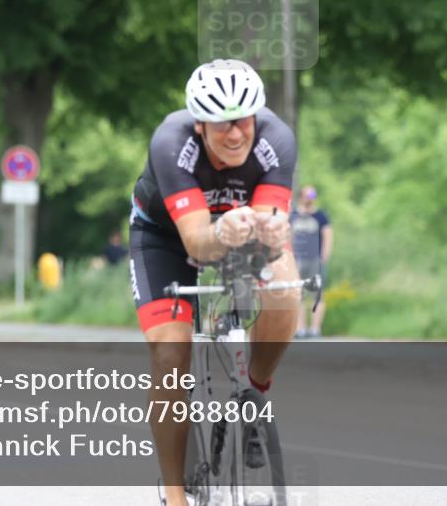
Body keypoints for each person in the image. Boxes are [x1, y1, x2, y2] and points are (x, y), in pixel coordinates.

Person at [129, 59, 298, 506]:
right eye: (221, 125)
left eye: (242, 120)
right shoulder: (171, 142)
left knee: (284, 289)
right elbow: (198, 243)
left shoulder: (276, 140)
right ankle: (174, 492)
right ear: (200, 126)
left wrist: (274, 233)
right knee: (170, 356)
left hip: (241, 227)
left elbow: (269, 228)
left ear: (257, 116)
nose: (235, 133)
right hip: (167, 236)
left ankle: (255, 396)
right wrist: (221, 234)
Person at [291, 185, 334, 338]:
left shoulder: (320, 216)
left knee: (317, 295)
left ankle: (315, 329)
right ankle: (300, 329)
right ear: (300, 197)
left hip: (315, 259)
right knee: (298, 295)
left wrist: (324, 257)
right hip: (297, 261)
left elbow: (328, 235)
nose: (309, 199)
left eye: (311, 196)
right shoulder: (294, 215)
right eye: (306, 196)